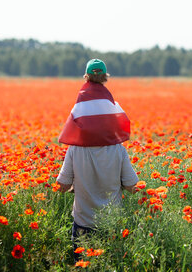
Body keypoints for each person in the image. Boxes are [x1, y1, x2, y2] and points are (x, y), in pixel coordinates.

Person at [55, 58, 139, 259]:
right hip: (111, 224)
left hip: (83, 222)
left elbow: (63, 184)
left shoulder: (75, 150)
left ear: (86, 77)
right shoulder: (118, 150)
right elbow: (131, 186)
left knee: (83, 264)